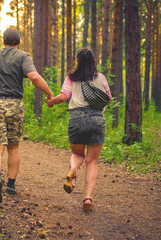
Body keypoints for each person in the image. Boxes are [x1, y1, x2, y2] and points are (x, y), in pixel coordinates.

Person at [0, 27, 54, 204]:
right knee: (13, 146)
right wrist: (49, 93)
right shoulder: (23, 56)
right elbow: (33, 76)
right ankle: (10, 185)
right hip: (15, 104)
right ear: (18, 42)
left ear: (3, 41)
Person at [45, 48, 112, 214]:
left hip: (76, 120)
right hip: (97, 120)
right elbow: (108, 100)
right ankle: (87, 198)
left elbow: (63, 96)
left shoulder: (71, 78)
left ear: (78, 61)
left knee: (78, 155)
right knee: (92, 161)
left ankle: (73, 170)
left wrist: (51, 102)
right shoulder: (101, 78)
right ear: (93, 61)